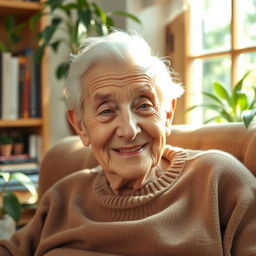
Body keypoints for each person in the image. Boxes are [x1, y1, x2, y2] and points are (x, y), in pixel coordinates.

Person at [0, 31, 255, 256]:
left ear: (167, 115)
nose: (129, 130)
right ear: (80, 126)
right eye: (107, 111)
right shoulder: (62, 198)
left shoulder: (218, 180)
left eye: (144, 106)